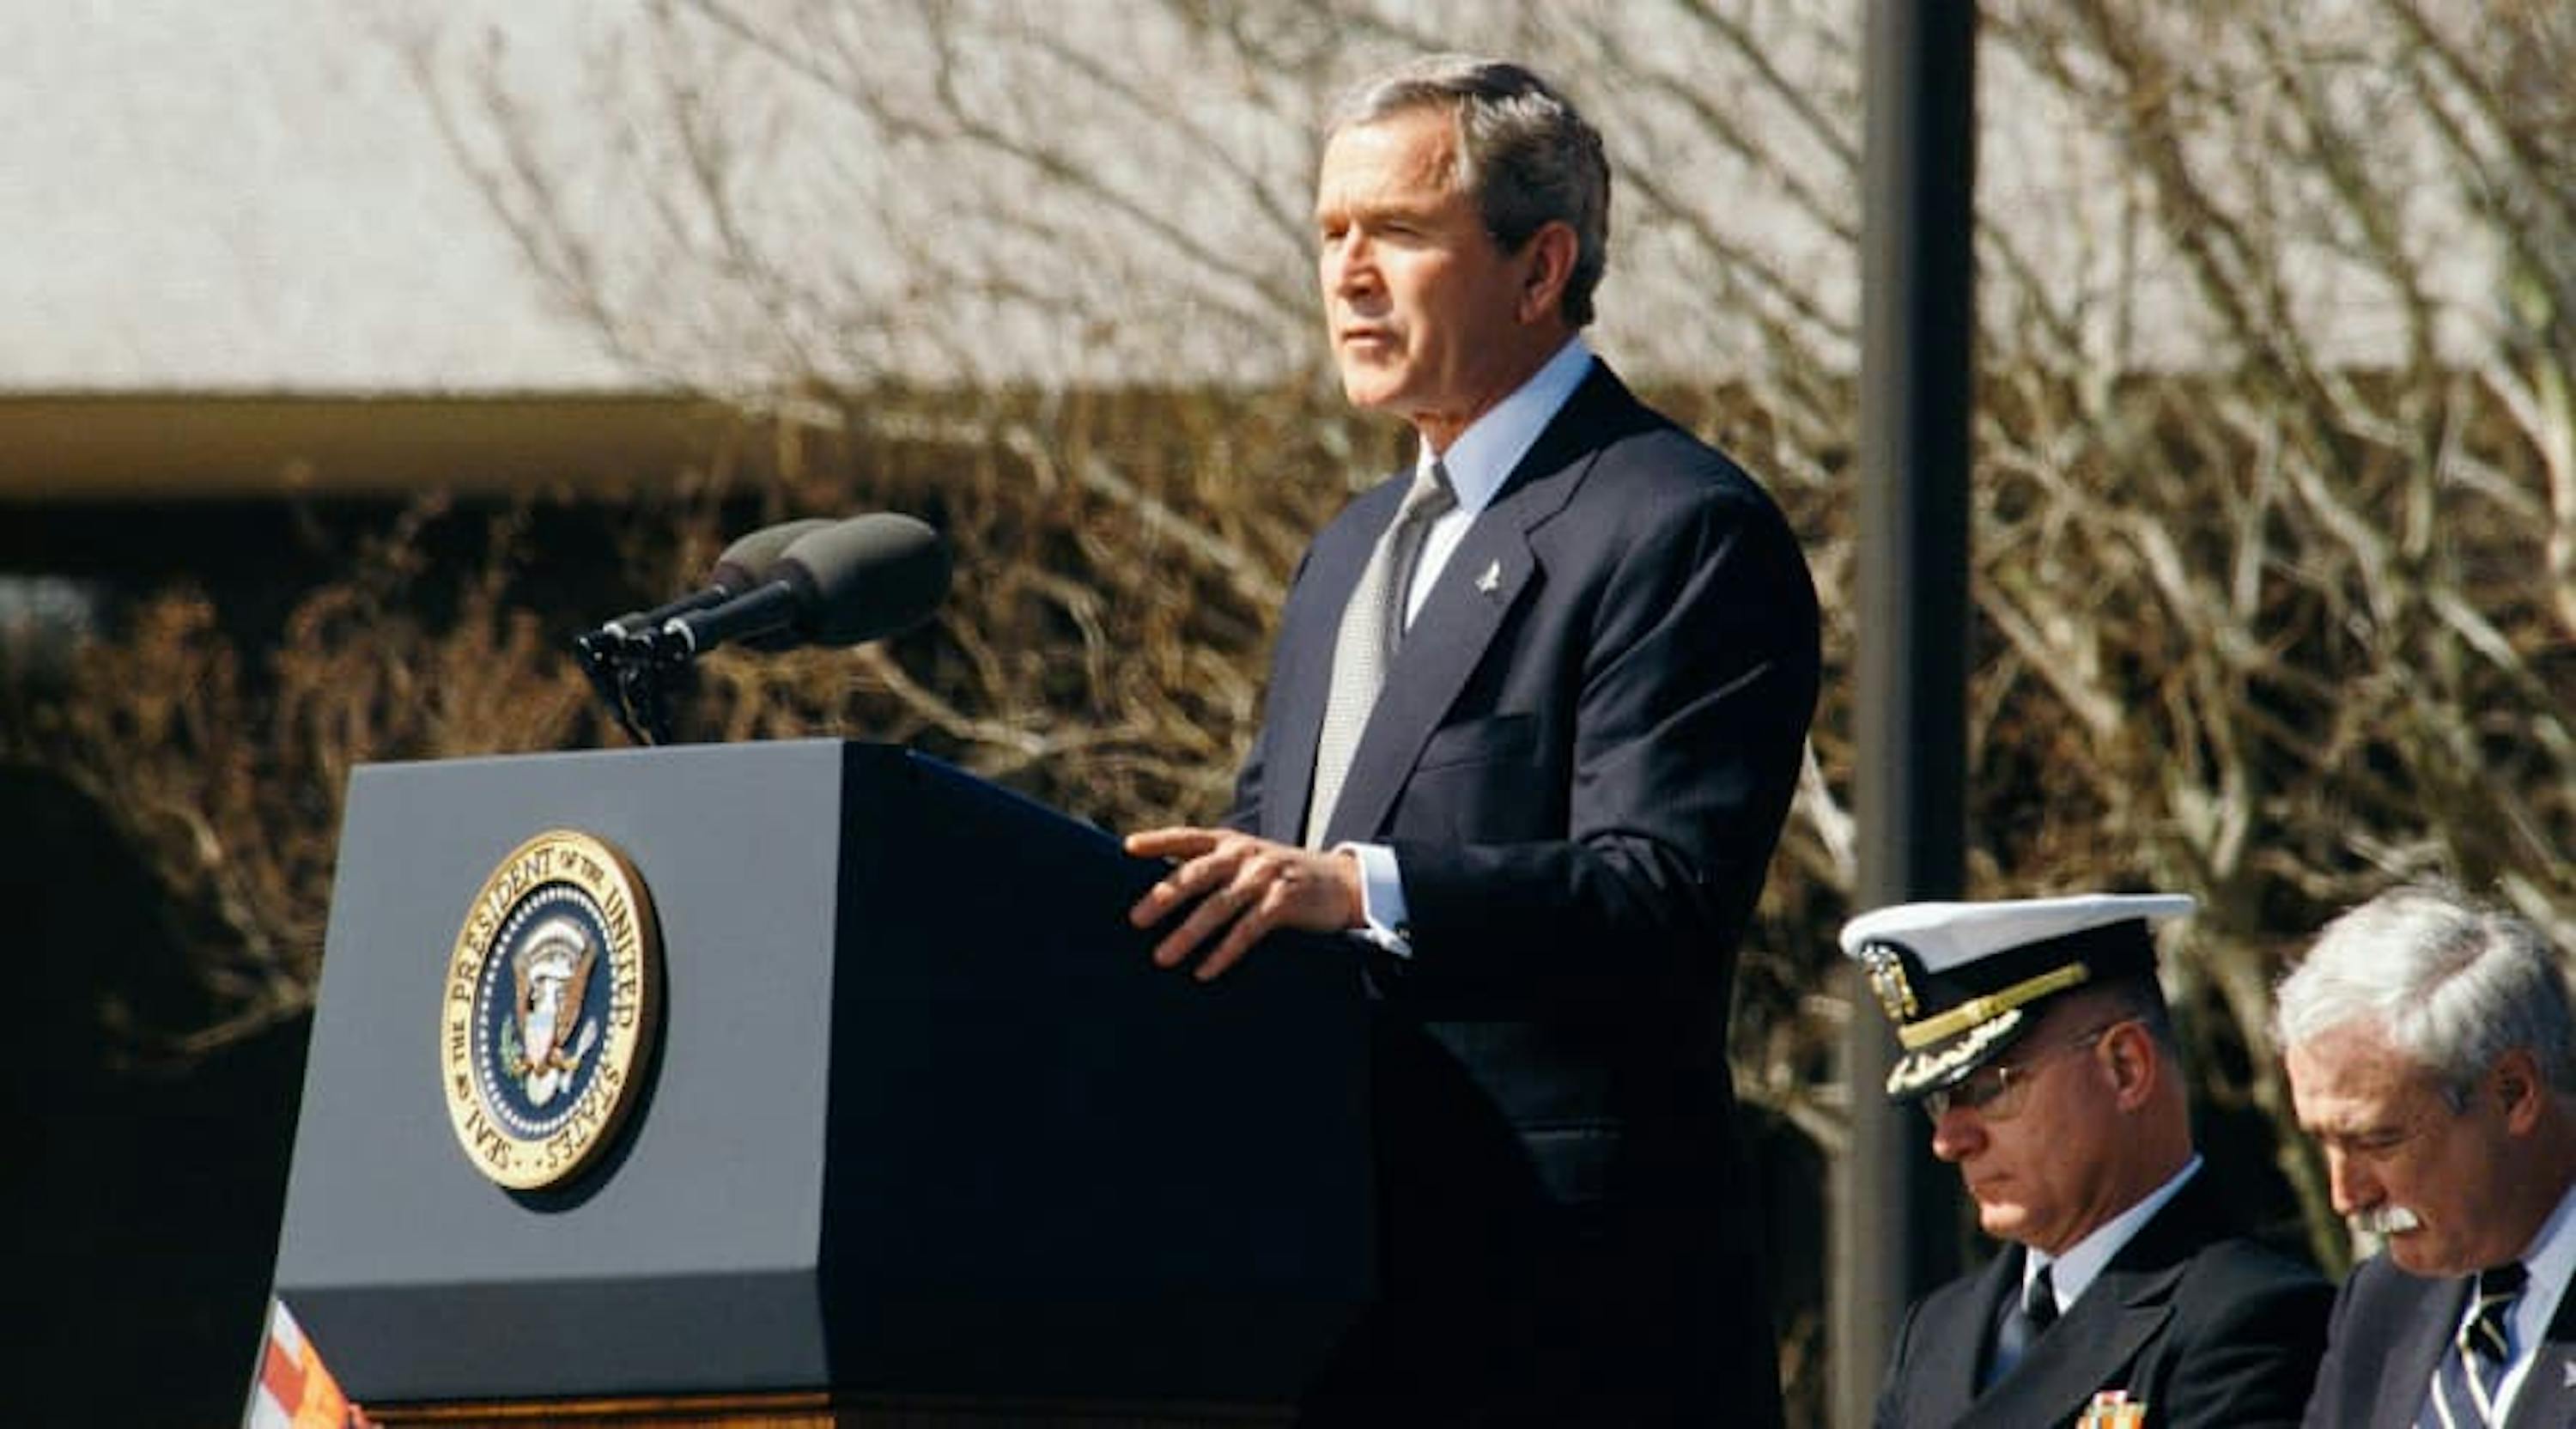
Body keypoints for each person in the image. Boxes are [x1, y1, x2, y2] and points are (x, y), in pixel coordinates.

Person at [1123, 55, 1819, 1422]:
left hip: (1568, 1322)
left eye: (1397, 232)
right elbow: (1260, 887)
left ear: (1540, 264)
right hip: (1336, 1303)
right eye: (1331, 234)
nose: (1349, 273)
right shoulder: (1344, 558)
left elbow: (1662, 891)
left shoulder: (1672, 524)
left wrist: (1359, 888)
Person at [1846, 894, 2330, 1428]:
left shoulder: (2254, 1318)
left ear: (2124, 1067)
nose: (1949, 1140)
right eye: (1939, 1101)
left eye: (1988, 1089)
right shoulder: (1936, 1334)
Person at [2276, 884, 2576, 1428]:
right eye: (2323, 1142)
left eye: (2378, 1141)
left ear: (2512, 1092)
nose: (2346, 1196)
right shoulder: (2383, 1305)